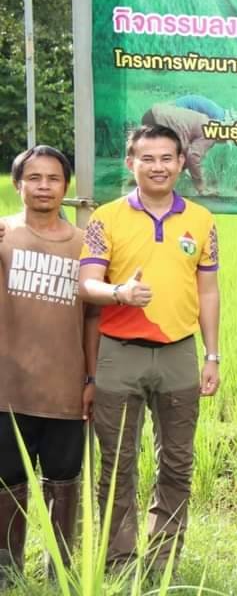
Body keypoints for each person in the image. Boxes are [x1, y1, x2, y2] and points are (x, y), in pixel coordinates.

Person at [78, 124, 221, 571]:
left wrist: (212, 354)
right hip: (119, 353)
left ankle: (163, 562)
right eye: (147, 158)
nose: (157, 167)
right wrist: (118, 292)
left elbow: (210, 291)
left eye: (166, 158)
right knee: (117, 465)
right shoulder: (107, 217)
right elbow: (86, 284)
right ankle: (118, 560)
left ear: (181, 163)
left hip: (179, 353)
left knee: (177, 462)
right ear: (131, 164)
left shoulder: (200, 220)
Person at [0, 147, 99, 586]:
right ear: (18, 184)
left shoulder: (84, 244)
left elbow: (94, 317)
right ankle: (6, 566)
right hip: (8, 386)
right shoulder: (3, 235)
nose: (44, 186)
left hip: (64, 386)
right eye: (34, 178)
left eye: (54, 178)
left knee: (64, 478)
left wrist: (91, 376)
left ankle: (59, 565)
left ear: (67, 185)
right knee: (7, 480)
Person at [141, 95, 226, 196]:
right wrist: (201, 187)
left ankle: (144, 180)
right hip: (157, 120)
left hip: (153, 114)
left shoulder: (207, 122)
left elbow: (188, 155)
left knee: (178, 156)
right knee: (171, 157)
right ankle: (200, 189)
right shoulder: (211, 133)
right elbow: (193, 157)